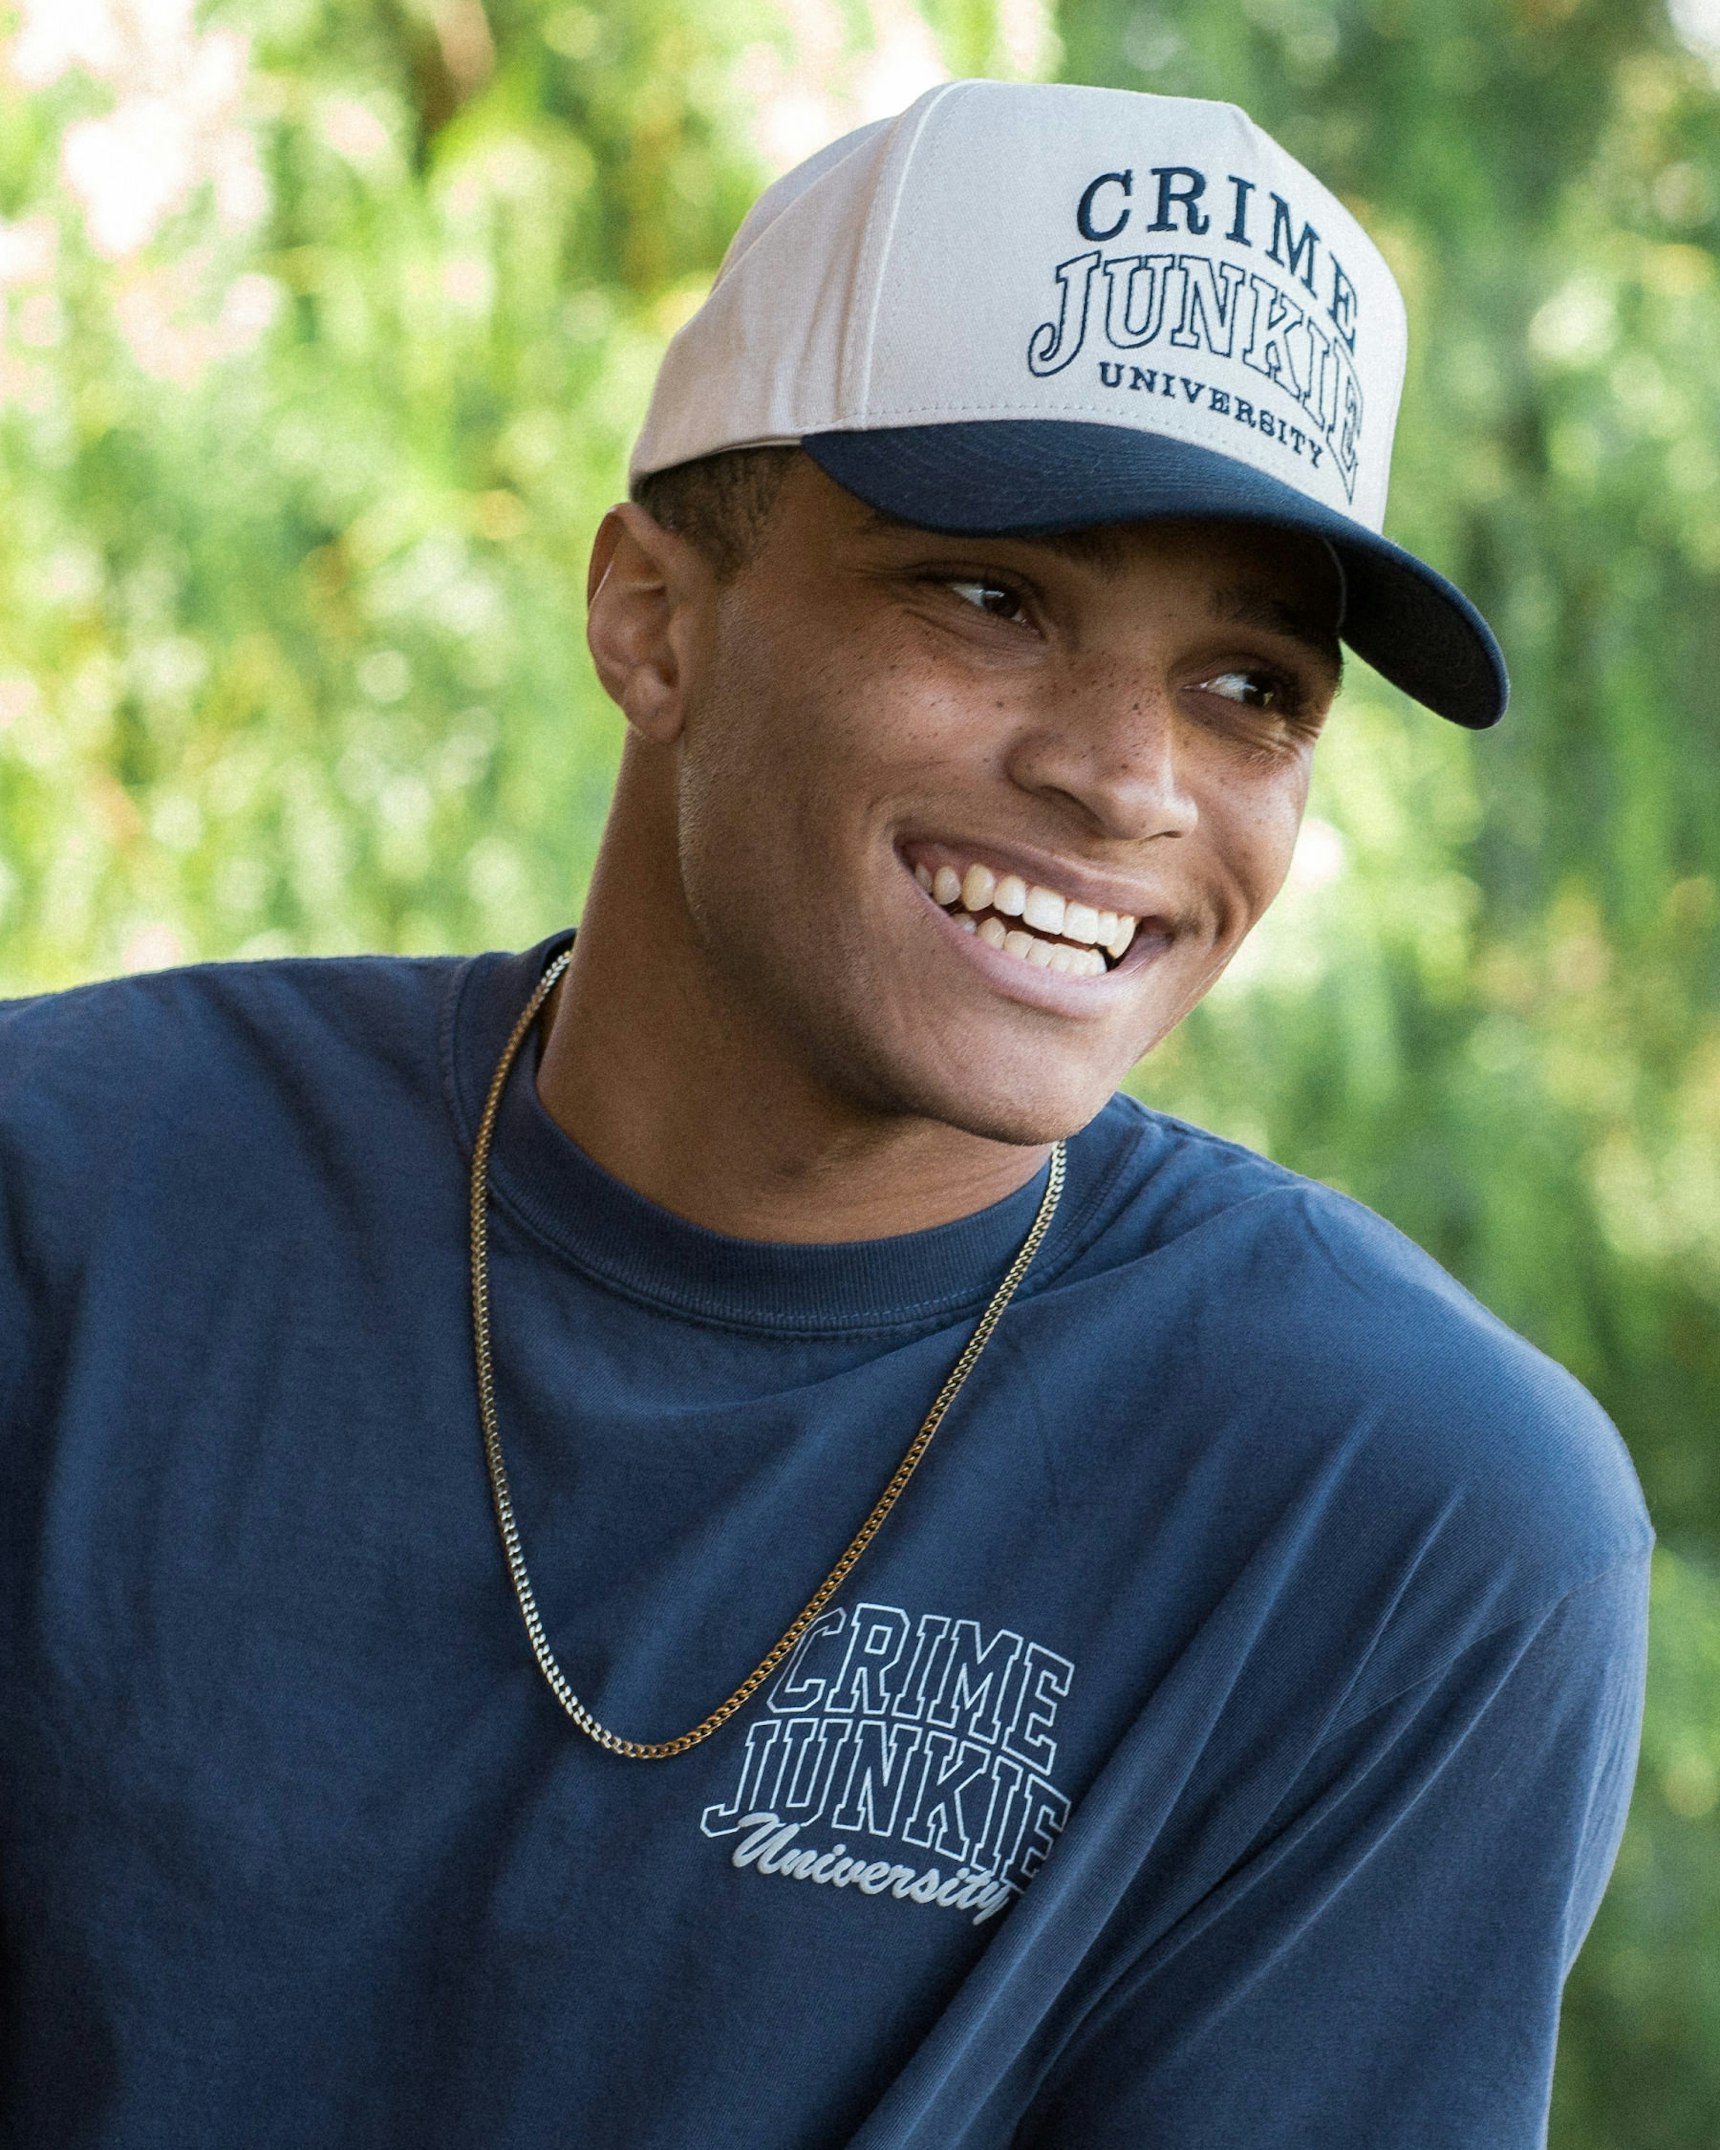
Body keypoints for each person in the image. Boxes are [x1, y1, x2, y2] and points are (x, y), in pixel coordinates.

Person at [0, 78, 1650, 2150]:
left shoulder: (1402, 1516)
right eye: (990, 598)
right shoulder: (65, 1201)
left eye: (1250, 687)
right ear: (649, 617)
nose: (1127, 779)